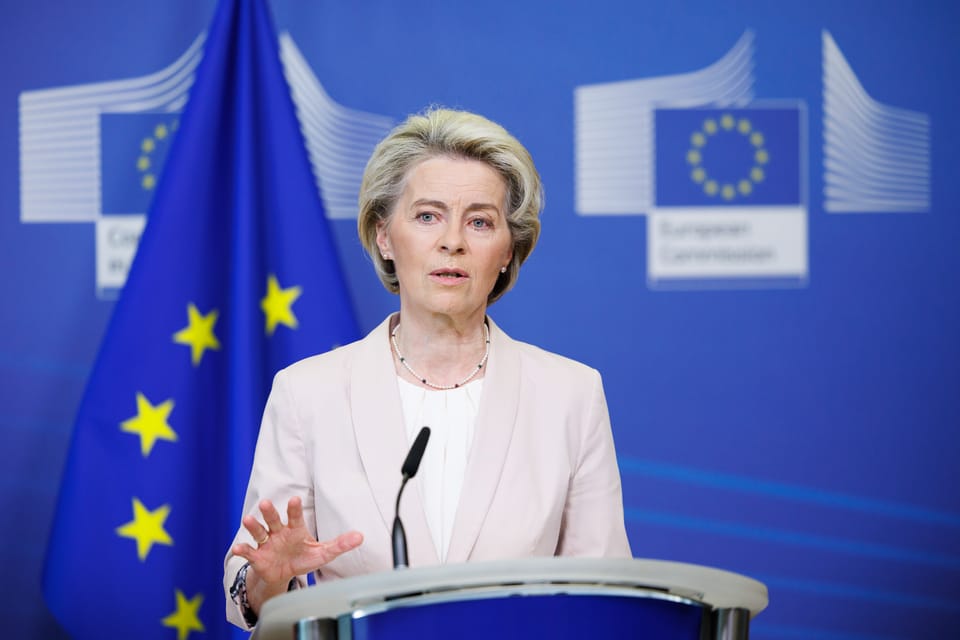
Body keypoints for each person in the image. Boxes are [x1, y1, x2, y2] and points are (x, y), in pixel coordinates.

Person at [223, 108, 631, 628]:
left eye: (480, 221)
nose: (453, 241)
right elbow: (249, 579)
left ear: (508, 250)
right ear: (385, 237)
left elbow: (604, 592)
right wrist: (270, 580)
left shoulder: (569, 393)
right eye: (427, 215)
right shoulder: (309, 393)